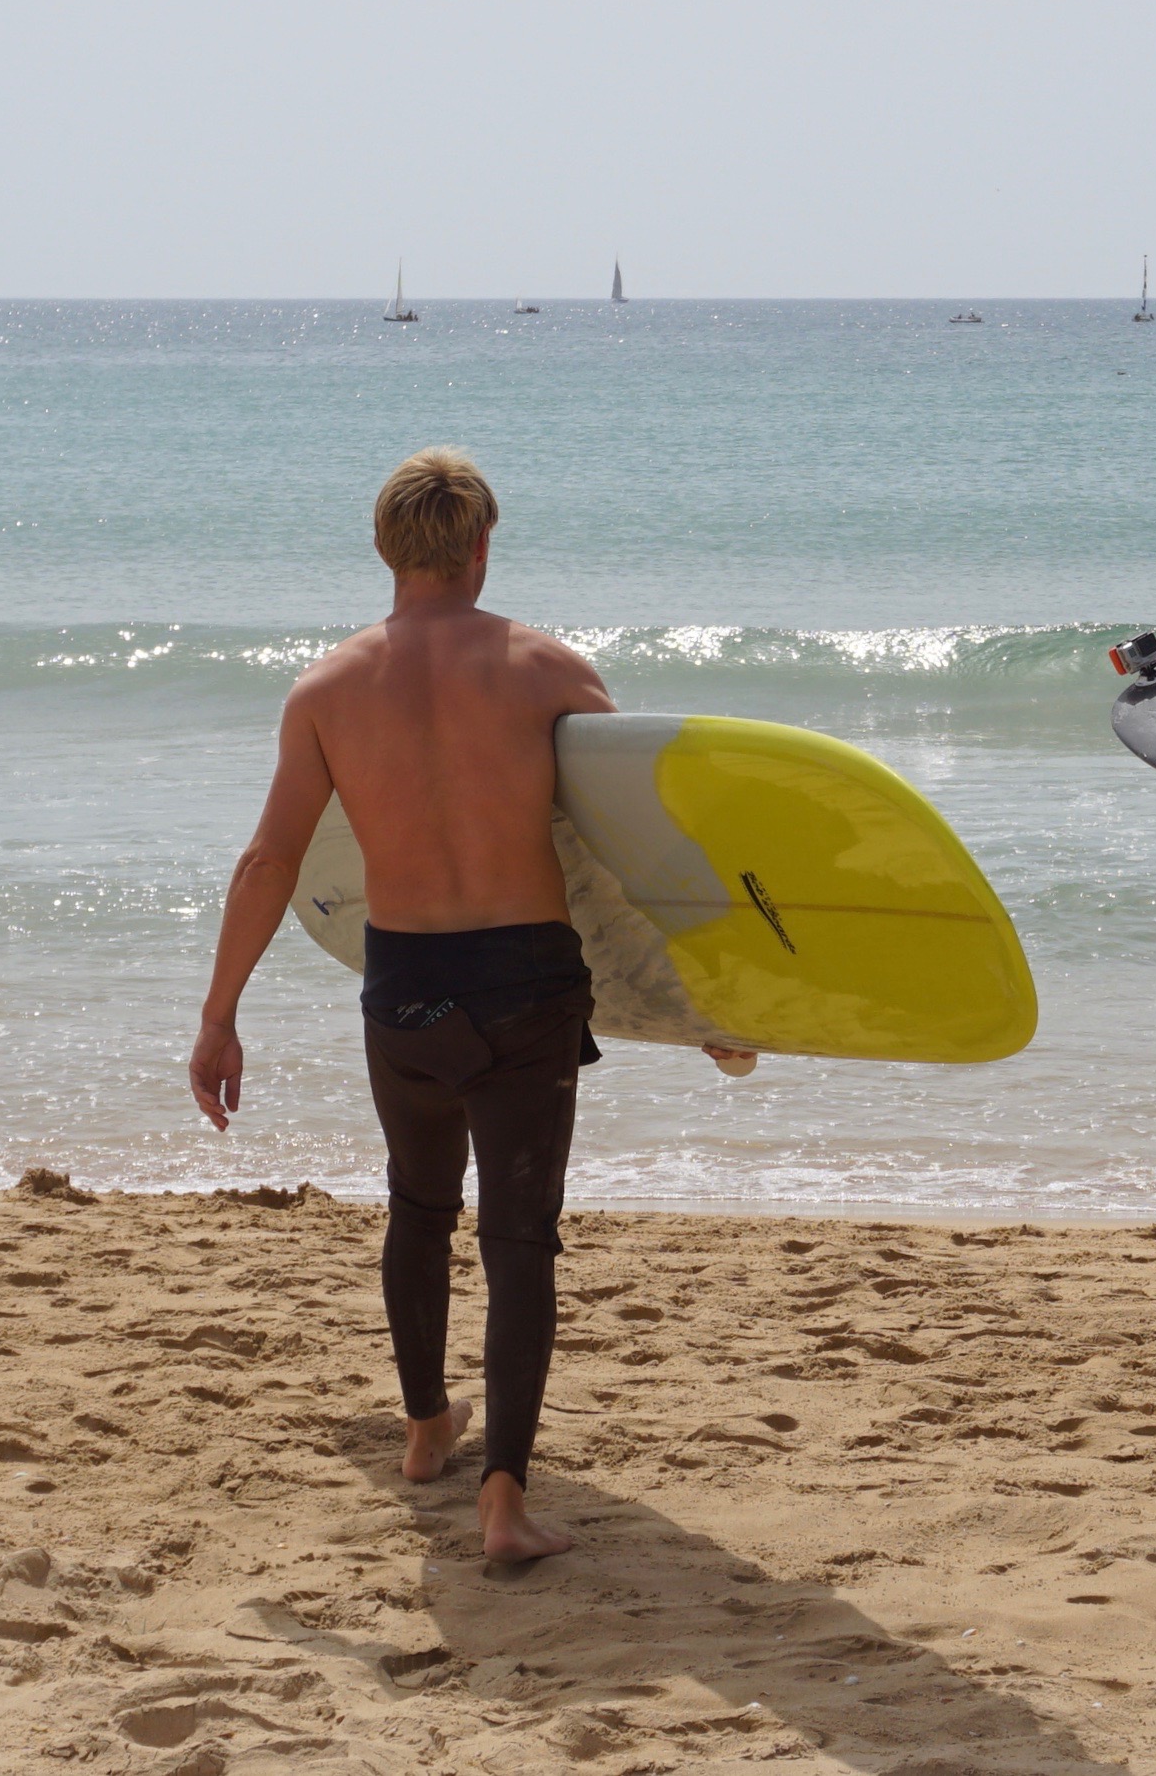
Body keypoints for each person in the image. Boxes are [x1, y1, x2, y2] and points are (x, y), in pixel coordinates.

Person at [185, 447, 751, 1565]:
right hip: (525, 990)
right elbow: (637, 858)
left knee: (416, 1206)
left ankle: (422, 1426)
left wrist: (219, 1015)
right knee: (520, 1239)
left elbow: (268, 861)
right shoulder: (547, 670)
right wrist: (706, 1003)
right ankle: (503, 1502)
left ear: (387, 550)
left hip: (399, 988)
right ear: (483, 546)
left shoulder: (326, 692)